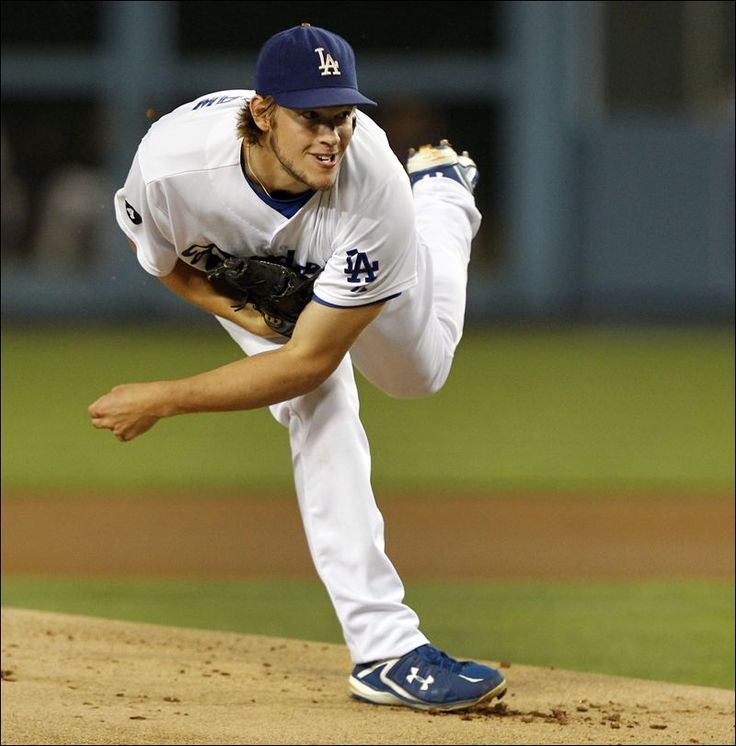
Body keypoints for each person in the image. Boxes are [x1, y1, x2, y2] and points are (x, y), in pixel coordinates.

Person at [88, 23, 507, 712]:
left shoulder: (371, 189)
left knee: (416, 375)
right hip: (260, 286)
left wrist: (164, 397)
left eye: (342, 117)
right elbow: (169, 265)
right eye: (312, 117)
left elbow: (308, 360)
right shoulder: (168, 168)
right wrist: (254, 318)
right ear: (262, 112)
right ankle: (386, 651)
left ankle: (445, 197)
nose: (330, 137)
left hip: (362, 252)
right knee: (326, 408)